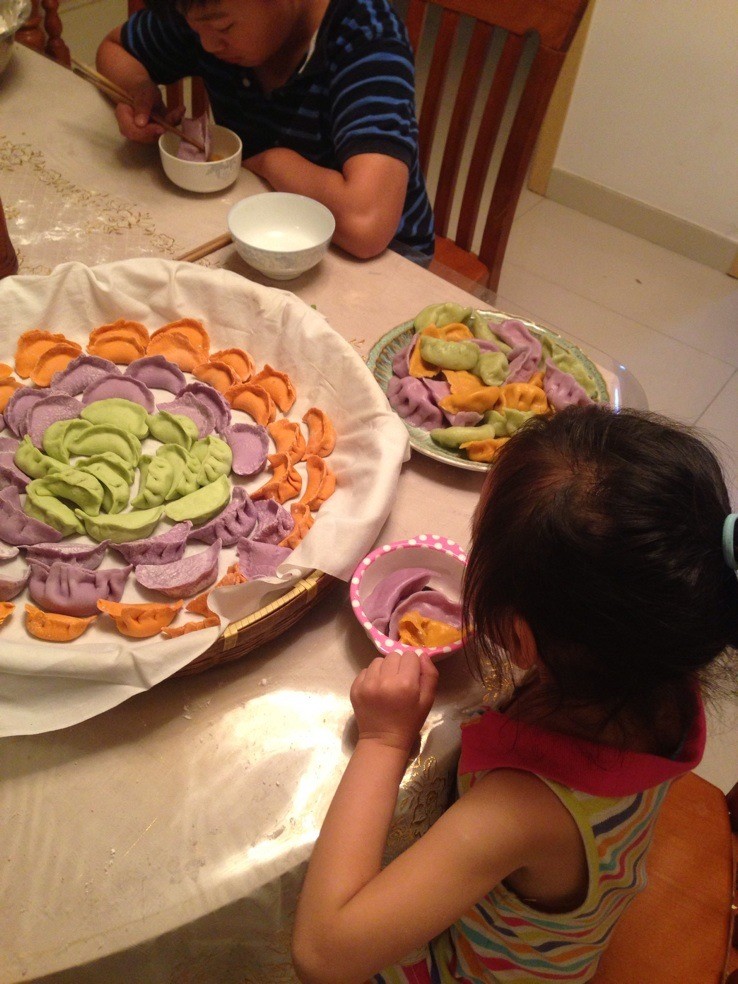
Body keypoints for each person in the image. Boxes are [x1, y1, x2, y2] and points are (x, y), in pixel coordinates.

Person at [291, 404, 738, 984]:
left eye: (478, 537)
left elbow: (323, 953)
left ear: (522, 640)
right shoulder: (662, 660)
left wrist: (384, 739)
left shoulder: (518, 812)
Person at [96, 0, 435, 262]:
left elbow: (366, 224)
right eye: (195, 30)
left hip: (384, 257)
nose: (208, 45)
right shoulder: (202, 10)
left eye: (225, 27)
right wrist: (138, 89)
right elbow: (114, 49)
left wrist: (269, 161)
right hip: (266, 220)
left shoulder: (367, 36)